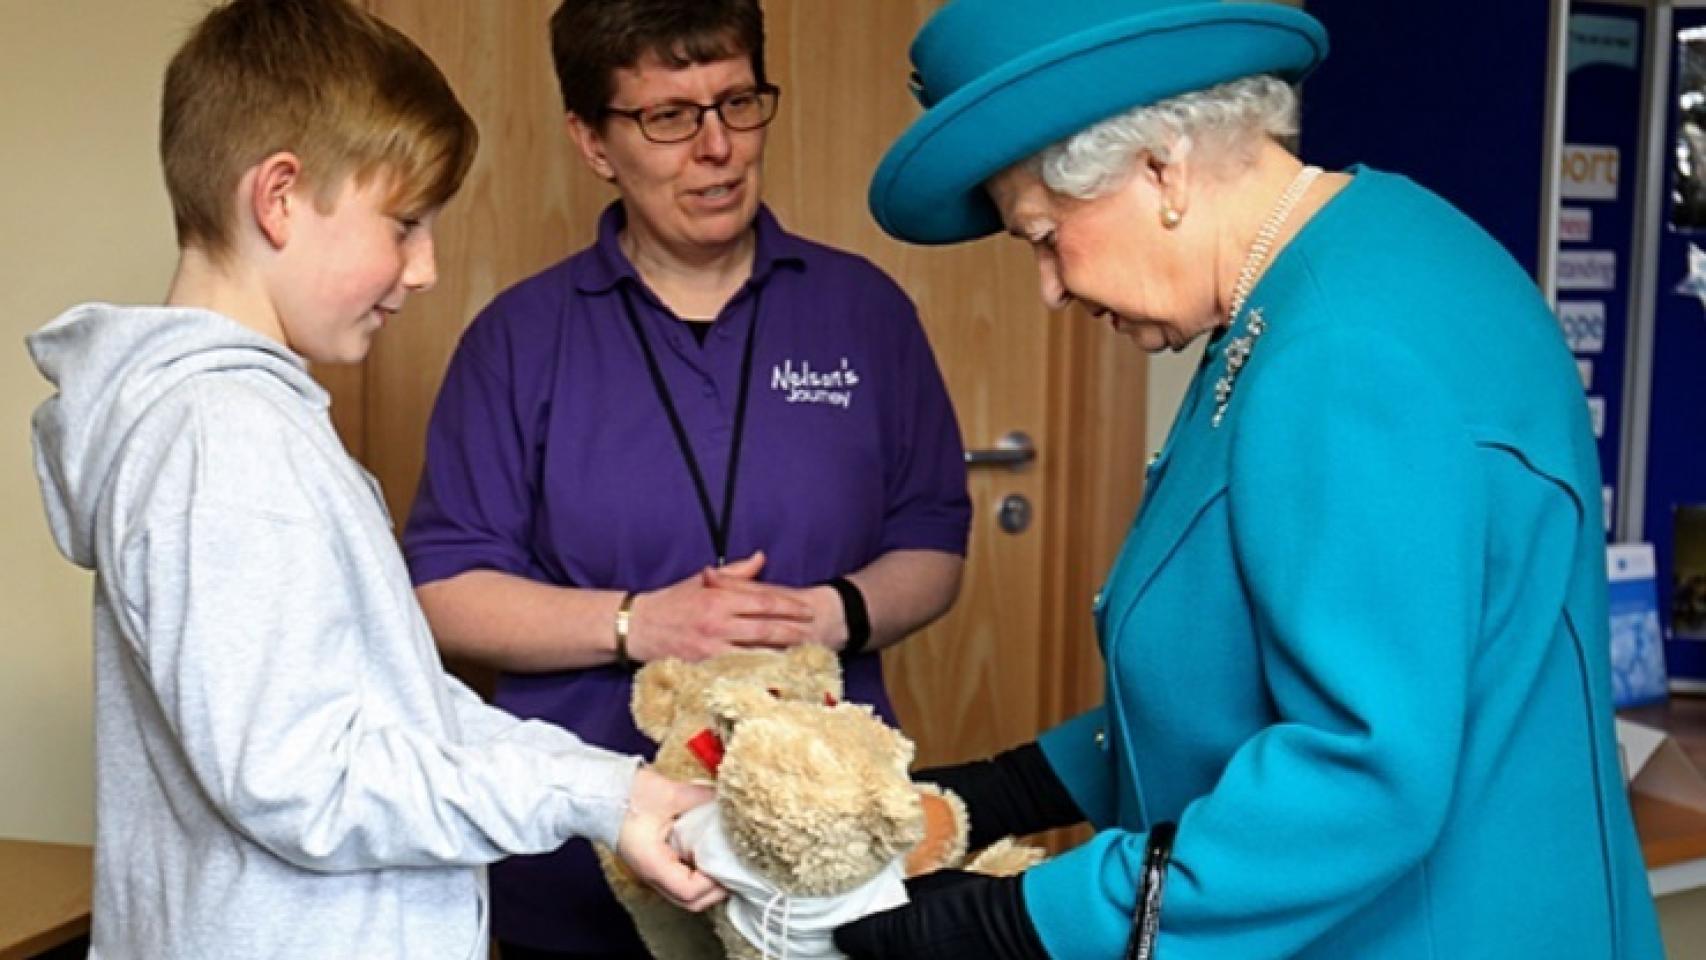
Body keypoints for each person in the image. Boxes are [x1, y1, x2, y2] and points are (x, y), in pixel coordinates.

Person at [835, 1, 1666, 957]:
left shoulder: (1343, 352)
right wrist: (1012, 786)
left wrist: (1022, 924)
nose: (1050, 287)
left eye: (1040, 233)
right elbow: (1238, 679)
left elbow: (1360, 771)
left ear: (1161, 169)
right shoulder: (1349, 261)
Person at [25, 2, 720, 957]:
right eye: (405, 223)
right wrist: (583, 796)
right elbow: (305, 778)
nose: (426, 267)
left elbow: (399, 714)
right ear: (279, 197)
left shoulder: (254, 427)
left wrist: (616, 791)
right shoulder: (222, 439)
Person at [400, 1, 972, 956]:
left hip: (820, 858)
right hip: (581, 860)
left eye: (738, 103)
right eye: (669, 116)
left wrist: (831, 613)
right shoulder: (516, 338)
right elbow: (444, 591)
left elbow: (933, 541)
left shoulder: (864, 310)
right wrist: (638, 624)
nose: (718, 147)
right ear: (592, 140)